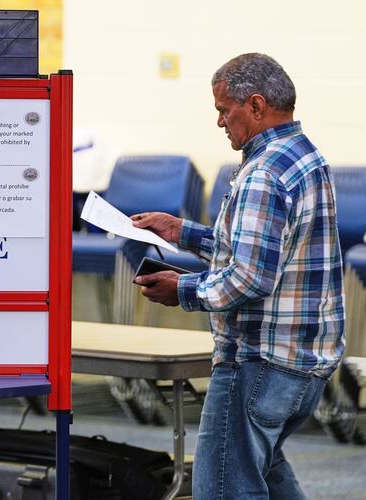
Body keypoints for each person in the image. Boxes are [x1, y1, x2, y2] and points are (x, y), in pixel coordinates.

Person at [132, 53, 345, 499]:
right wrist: (182, 231)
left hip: (259, 364)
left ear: (255, 105)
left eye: (223, 110)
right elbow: (266, 252)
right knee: (264, 474)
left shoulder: (263, 173)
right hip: (305, 365)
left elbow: (248, 278)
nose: (219, 122)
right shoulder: (305, 156)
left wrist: (181, 290)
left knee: (225, 488)